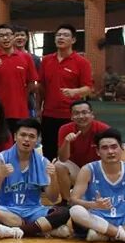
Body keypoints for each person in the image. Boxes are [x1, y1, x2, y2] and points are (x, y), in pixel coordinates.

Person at [0, 120, 71, 239]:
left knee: (64, 213)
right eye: (23, 135)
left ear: (37, 140)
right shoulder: (0, 159)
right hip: (6, 209)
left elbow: (53, 198)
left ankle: (18, 230)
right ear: (15, 137)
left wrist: (53, 177)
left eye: (31, 136)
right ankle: (41, 229)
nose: (27, 139)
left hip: (33, 210)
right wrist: (0, 175)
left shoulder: (43, 162)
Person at [39, 24, 94, 161]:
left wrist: (75, 91)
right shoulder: (46, 60)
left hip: (71, 116)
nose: (61, 38)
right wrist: (38, 107)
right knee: (48, 152)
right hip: (49, 114)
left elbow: (88, 88)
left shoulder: (82, 62)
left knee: (71, 153)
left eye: (65, 35)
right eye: (58, 35)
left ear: (73, 40)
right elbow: (41, 87)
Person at [54, 100, 111, 204]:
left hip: (98, 173)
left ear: (92, 114)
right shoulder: (65, 129)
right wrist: (66, 142)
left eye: (84, 112)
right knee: (58, 165)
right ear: (71, 117)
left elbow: (112, 157)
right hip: (77, 172)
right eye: (76, 113)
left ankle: (85, 193)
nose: (81, 116)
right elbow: (62, 159)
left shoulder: (104, 130)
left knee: (100, 202)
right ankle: (66, 202)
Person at [0, 24, 38, 125]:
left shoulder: (26, 57)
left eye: (8, 35)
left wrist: (22, 96)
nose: (5, 38)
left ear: (13, 37)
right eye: (1, 35)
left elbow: (31, 83)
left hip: (20, 110)